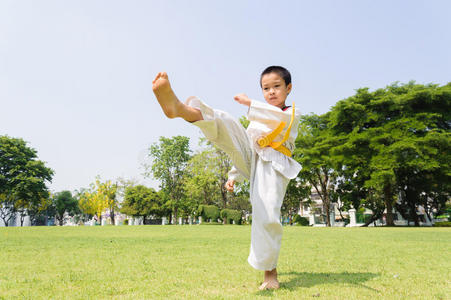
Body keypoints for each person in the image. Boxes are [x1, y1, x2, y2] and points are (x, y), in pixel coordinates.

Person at [152, 66, 301, 290]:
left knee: (267, 213)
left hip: (274, 165)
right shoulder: (257, 119)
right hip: (254, 157)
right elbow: (243, 145)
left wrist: (251, 103)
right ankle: (181, 109)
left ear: (288, 88)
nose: (271, 92)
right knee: (226, 121)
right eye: (266, 88)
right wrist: (234, 175)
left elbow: (277, 117)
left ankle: (270, 274)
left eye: (276, 87)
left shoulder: (291, 113)